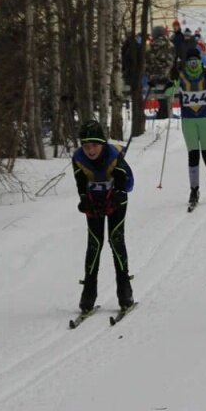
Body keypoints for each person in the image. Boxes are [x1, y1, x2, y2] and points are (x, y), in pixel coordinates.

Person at [72, 120, 135, 313]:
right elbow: (81, 182)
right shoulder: (78, 158)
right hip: (95, 199)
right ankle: (88, 294)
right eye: (86, 146)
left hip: (116, 198)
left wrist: (117, 194)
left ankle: (124, 291)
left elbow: (126, 183)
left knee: (115, 240)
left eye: (94, 146)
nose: (90, 150)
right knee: (94, 243)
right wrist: (84, 198)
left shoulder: (113, 156)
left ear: (102, 144)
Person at [164, 48, 206, 209]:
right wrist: (172, 79)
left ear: (200, 61)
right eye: (190, 60)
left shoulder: (205, 73)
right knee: (193, 156)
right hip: (189, 121)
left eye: (195, 59)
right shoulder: (182, 76)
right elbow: (168, 93)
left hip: (205, 120)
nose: (193, 63)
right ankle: (194, 190)